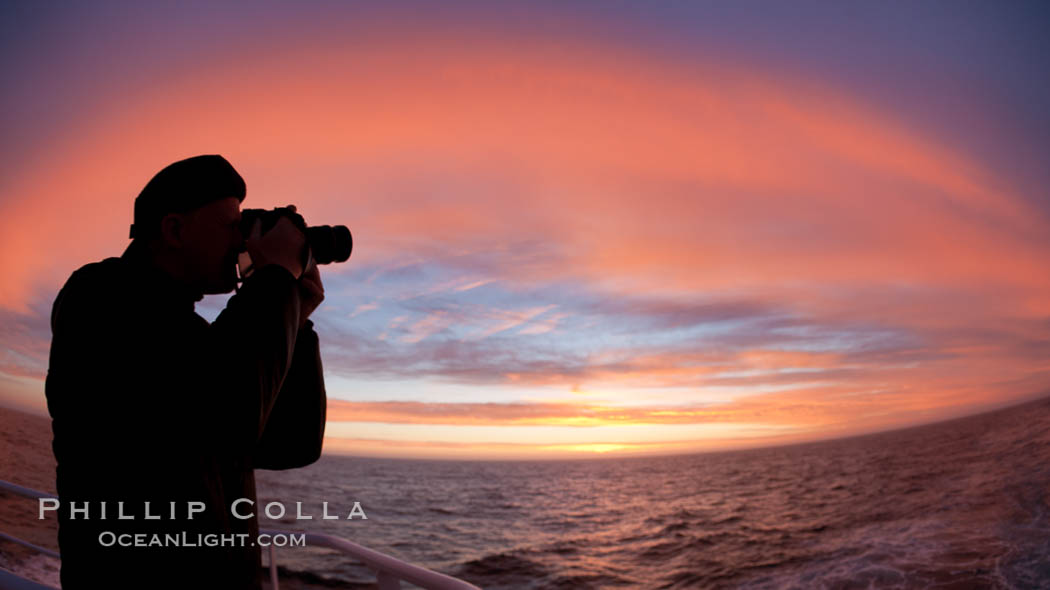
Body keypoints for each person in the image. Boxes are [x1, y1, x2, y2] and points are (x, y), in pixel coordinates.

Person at [44, 155, 327, 589]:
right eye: (232, 226)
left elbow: (290, 443)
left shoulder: (193, 339)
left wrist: (297, 319)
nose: (241, 244)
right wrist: (273, 281)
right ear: (174, 230)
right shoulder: (99, 298)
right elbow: (228, 416)